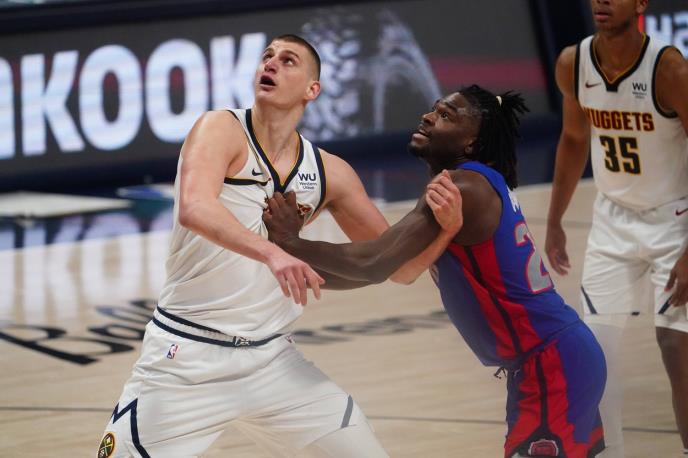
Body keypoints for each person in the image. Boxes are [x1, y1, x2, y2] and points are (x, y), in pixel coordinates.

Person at [98, 33, 455, 458]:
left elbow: (400, 267)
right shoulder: (221, 128)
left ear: (312, 89)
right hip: (186, 357)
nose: (271, 64)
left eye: (288, 61)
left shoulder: (330, 172)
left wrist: (447, 228)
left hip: (272, 361)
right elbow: (194, 207)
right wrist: (275, 252)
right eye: (267, 56)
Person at [263, 85, 607, 458]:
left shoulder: (462, 187)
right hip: (555, 359)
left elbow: (373, 262)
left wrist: (290, 242)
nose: (428, 117)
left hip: (552, 364)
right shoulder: (472, 184)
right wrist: (290, 266)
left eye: (446, 116)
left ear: (471, 143)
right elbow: (393, 270)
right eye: (434, 109)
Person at [544, 0, 688, 455]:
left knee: (676, 347)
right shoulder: (573, 63)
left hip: (675, 220)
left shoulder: (670, 70)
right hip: (612, 220)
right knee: (593, 354)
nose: (602, 0)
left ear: (641, 3)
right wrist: (555, 220)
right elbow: (573, 139)